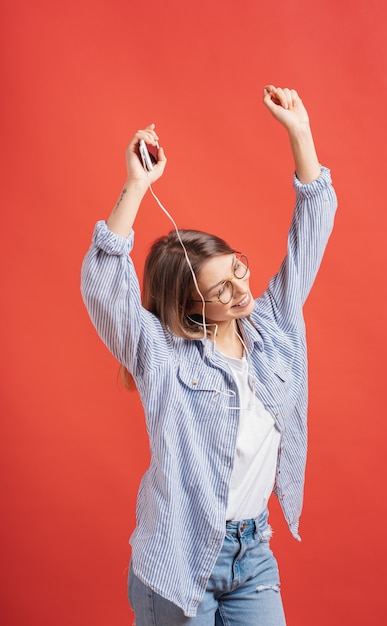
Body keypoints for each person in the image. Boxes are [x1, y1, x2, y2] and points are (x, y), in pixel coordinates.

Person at [81, 85, 337, 626]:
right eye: (220, 290)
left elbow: (313, 223)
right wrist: (136, 185)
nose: (241, 289)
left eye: (238, 268)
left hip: (252, 555)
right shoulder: (164, 354)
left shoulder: (273, 326)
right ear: (190, 306)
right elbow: (106, 283)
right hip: (176, 559)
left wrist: (300, 132)